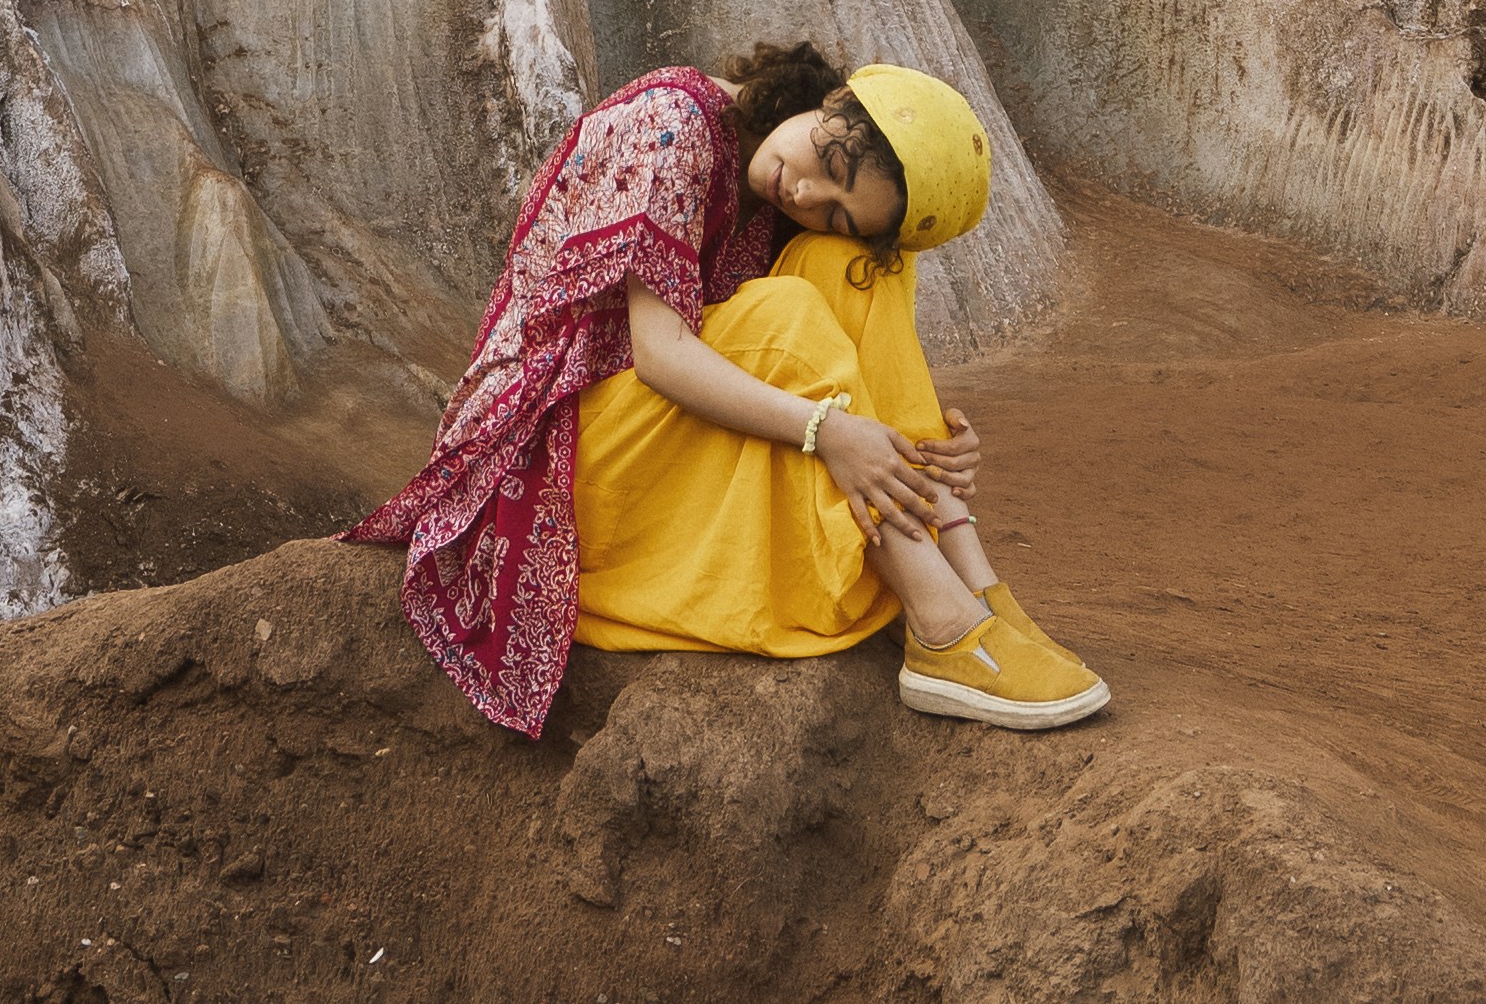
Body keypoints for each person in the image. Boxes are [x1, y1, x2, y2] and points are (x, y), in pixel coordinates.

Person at [352, 40, 1109, 738]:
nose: (806, 192)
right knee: (785, 313)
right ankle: (942, 626)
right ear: (836, 101)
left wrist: (932, 459)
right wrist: (831, 431)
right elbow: (661, 356)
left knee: (860, 269)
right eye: (830, 164)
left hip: (642, 439)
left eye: (836, 206)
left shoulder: (785, 198)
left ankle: (976, 587)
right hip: (549, 449)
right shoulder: (671, 123)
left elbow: (854, 337)